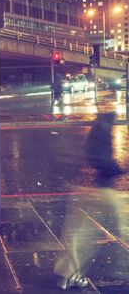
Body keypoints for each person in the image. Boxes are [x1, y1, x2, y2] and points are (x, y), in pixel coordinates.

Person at [54, 112, 125, 290]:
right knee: (84, 232)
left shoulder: (97, 126)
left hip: (86, 187)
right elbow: (102, 159)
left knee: (80, 232)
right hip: (96, 189)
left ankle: (67, 273)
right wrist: (117, 170)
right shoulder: (103, 127)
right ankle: (68, 273)